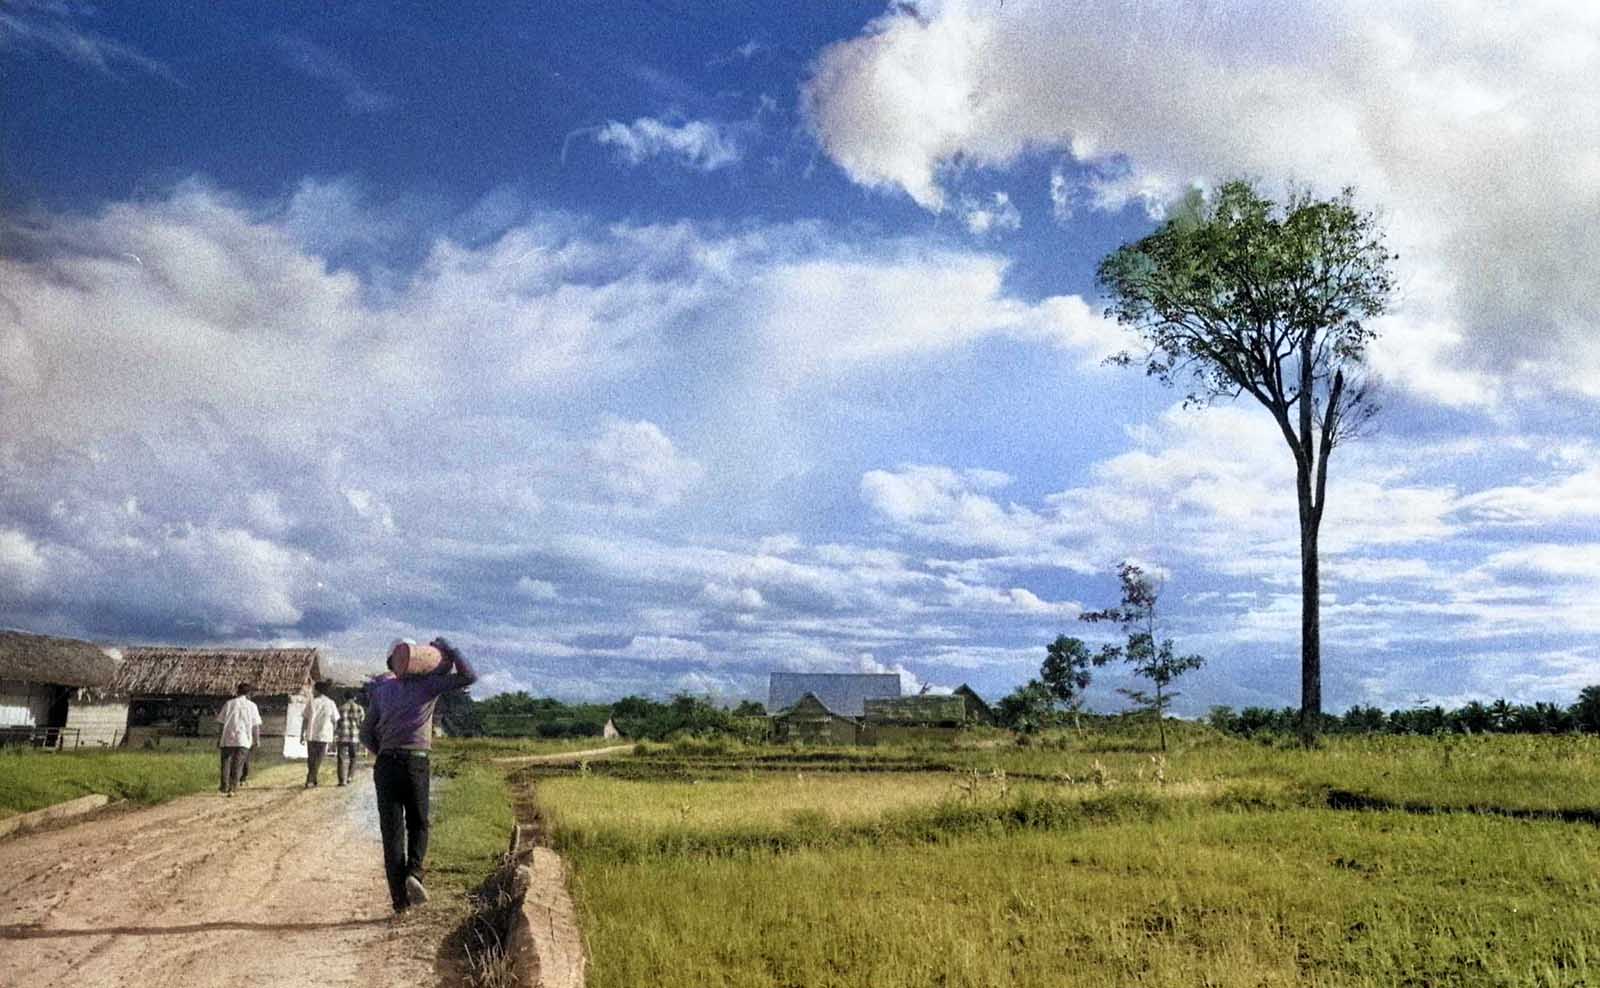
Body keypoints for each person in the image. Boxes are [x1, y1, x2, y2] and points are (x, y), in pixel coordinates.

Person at [360, 636, 477, 913]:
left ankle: (399, 902)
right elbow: (469, 676)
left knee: (392, 833)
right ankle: (414, 873)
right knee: (419, 823)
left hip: (386, 764)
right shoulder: (428, 685)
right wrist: (450, 649)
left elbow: (366, 733)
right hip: (416, 762)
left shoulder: (382, 690)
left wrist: (385, 751)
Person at [216, 682, 261, 796]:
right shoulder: (252, 706)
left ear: (237, 691)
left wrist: (219, 737)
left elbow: (221, 723)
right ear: (249, 693)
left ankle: (224, 787)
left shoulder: (229, 704)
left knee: (226, 763)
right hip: (243, 739)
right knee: (237, 764)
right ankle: (232, 787)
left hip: (227, 738)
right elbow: (255, 726)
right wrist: (257, 739)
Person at [301, 680, 339, 788]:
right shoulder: (331, 703)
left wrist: (301, 734)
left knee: (311, 758)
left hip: (311, 734)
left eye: (313, 689)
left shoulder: (312, 702)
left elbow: (305, 719)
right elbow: (335, 721)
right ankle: (312, 779)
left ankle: (311, 779)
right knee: (319, 758)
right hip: (324, 735)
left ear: (317, 690)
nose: (312, 691)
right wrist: (334, 732)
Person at [335, 689, 366, 786]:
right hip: (354, 737)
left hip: (342, 736)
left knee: (341, 758)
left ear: (345, 698)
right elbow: (362, 723)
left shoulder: (340, 708)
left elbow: (337, 723)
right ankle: (350, 777)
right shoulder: (360, 708)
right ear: (354, 698)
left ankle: (341, 781)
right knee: (353, 757)